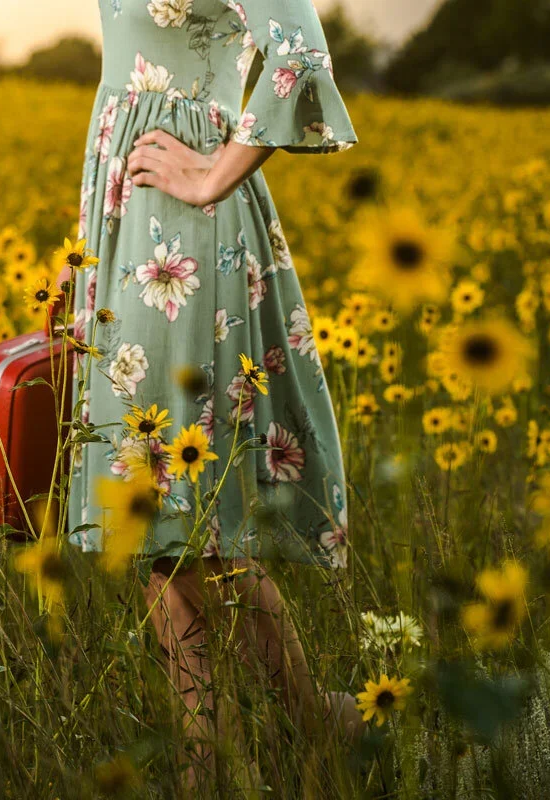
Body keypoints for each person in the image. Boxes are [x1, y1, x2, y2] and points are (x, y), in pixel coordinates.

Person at [62, 0, 365, 791]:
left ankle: (291, 732)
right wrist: (85, 245)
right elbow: (122, 84)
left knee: (182, 516)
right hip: (125, 230)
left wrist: (208, 175)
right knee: (164, 531)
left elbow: (298, 53)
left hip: (184, 240)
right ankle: (233, 757)